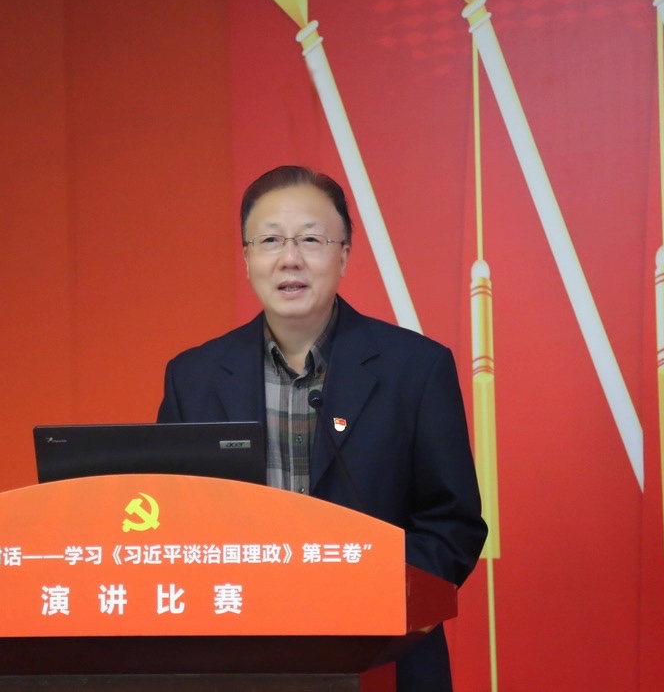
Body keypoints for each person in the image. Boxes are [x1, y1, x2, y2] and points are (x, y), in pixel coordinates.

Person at [157, 165, 487, 691]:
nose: (290, 258)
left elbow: (452, 525)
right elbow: (173, 528)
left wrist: (371, 593)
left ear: (344, 256)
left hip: (382, 658)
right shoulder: (193, 378)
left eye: (311, 239)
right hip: (237, 661)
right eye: (270, 240)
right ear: (247, 259)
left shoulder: (415, 369)